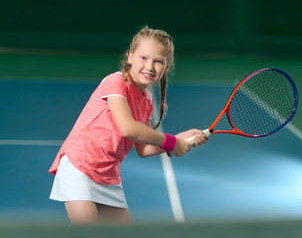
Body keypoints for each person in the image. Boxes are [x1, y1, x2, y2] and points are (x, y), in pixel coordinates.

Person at [48, 26, 208, 224]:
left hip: (108, 175)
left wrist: (181, 138)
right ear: (130, 57)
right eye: (143, 58)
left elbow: (144, 148)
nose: (149, 66)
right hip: (79, 166)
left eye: (158, 61)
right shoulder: (115, 82)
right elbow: (129, 128)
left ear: (166, 68)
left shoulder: (148, 101)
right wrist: (171, 142)